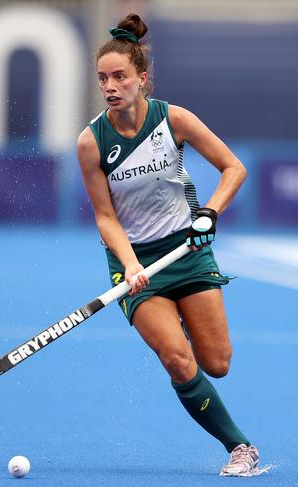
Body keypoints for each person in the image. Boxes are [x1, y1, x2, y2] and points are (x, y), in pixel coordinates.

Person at [77, 13, 260, 477]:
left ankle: (183, 331)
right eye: (103, 78)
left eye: (120, 76)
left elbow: (233, 168)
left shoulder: (172, 119)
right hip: (135, 263)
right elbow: (104, 216)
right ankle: (240, 448)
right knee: (178, 360)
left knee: (216, 364)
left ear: (141, 78)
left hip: (188, 249)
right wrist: (131, 263)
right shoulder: (91, 142)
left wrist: (209, 214)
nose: (111, 86)